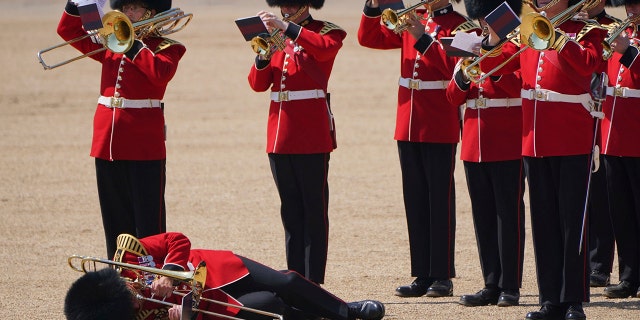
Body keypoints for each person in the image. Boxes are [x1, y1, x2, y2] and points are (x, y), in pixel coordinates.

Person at [480, 0, 608, 319]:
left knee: (571, 223)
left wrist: (559, 38)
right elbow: (492, 66)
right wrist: (493, 40)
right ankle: (550, 298)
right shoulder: (527, 31)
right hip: (534, 140)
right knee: (544, 223)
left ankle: (573, 299)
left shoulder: (588, 31)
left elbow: (590, 65)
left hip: (571, 136)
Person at [357, 0, 479, 298]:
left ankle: (442, 275)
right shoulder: (412, 17)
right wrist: (373, 7)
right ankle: (422, 273)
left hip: (438, 119)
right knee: (415, 199)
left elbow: (455, 68)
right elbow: (369, 38)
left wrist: (422, 37)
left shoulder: (463, 26)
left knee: (439, 199)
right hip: (408, 119)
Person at [57, 0, 186, 258]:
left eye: (135, 8)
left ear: (150, 13)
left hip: (143, 145)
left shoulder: (167, 47)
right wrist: (78, 3)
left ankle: (151, 285)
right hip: (108, 143)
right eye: (125, 7)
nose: (127, 13)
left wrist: (133, 43)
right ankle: (120, 283)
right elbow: (68, 31)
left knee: (148, 225)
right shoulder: (110, 42)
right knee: (114, 221)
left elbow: (160, 73)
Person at [246, 0, 345, 285]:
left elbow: (324, 49)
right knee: (290, 211)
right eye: (283, 5)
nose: (285, 9)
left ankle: (314, 282)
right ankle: (295, 281)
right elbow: (257, 84)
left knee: (314, 211)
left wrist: (286, 28)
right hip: (280, 135)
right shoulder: (275, 37)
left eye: (290, 5)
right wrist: (263, 56)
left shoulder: (326, 31)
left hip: (311, 134)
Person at [64, 232, 386, 320]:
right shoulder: (135, 317)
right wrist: (185, 318)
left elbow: (177, 240)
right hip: (214, 306)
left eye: (131, 298)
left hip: (218, 268)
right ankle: (313, 313)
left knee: (286, 281)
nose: (138, 303)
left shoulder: (128, 254)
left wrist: (170, 274)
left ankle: (347, 310)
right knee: (273, 305)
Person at [448, 0, 525, 307]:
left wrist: (488, 54)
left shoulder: (517, 47)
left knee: (508, 216)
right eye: (481, 18)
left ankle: (511, 286)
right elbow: (452, 96)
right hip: (473, 143)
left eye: (488, 19)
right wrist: (464, 77)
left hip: (505, 141)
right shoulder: (470, 42)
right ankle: (491, 283)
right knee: (483, 217)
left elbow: (515, 86)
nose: (482, 24)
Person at [575, 0, 619, 289]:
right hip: (572, 115)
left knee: (602, 193)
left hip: (601, 115)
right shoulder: (570, 28)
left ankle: (599, 265)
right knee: (577, 194)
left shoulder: (608, 28)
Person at [599, 0, 640, 300]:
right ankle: (629, 276)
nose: (632, 9)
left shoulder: (628, 44)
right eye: (628, 4)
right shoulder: (619, 34)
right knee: (622, 212)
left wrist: (629, 53)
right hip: (613, 137)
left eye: (636, 4)